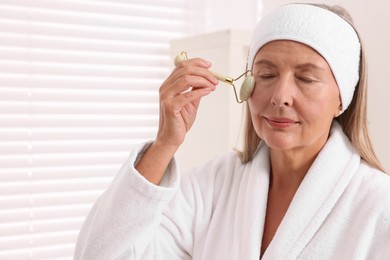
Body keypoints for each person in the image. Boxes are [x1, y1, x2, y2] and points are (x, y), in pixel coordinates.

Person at [74, 3, 390, 260]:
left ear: (343, 98)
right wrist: (165, 144)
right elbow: (100, 254)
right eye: (266, 73)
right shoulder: (211, 188)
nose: (280, 96)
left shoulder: (379, 206)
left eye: (306, 78)